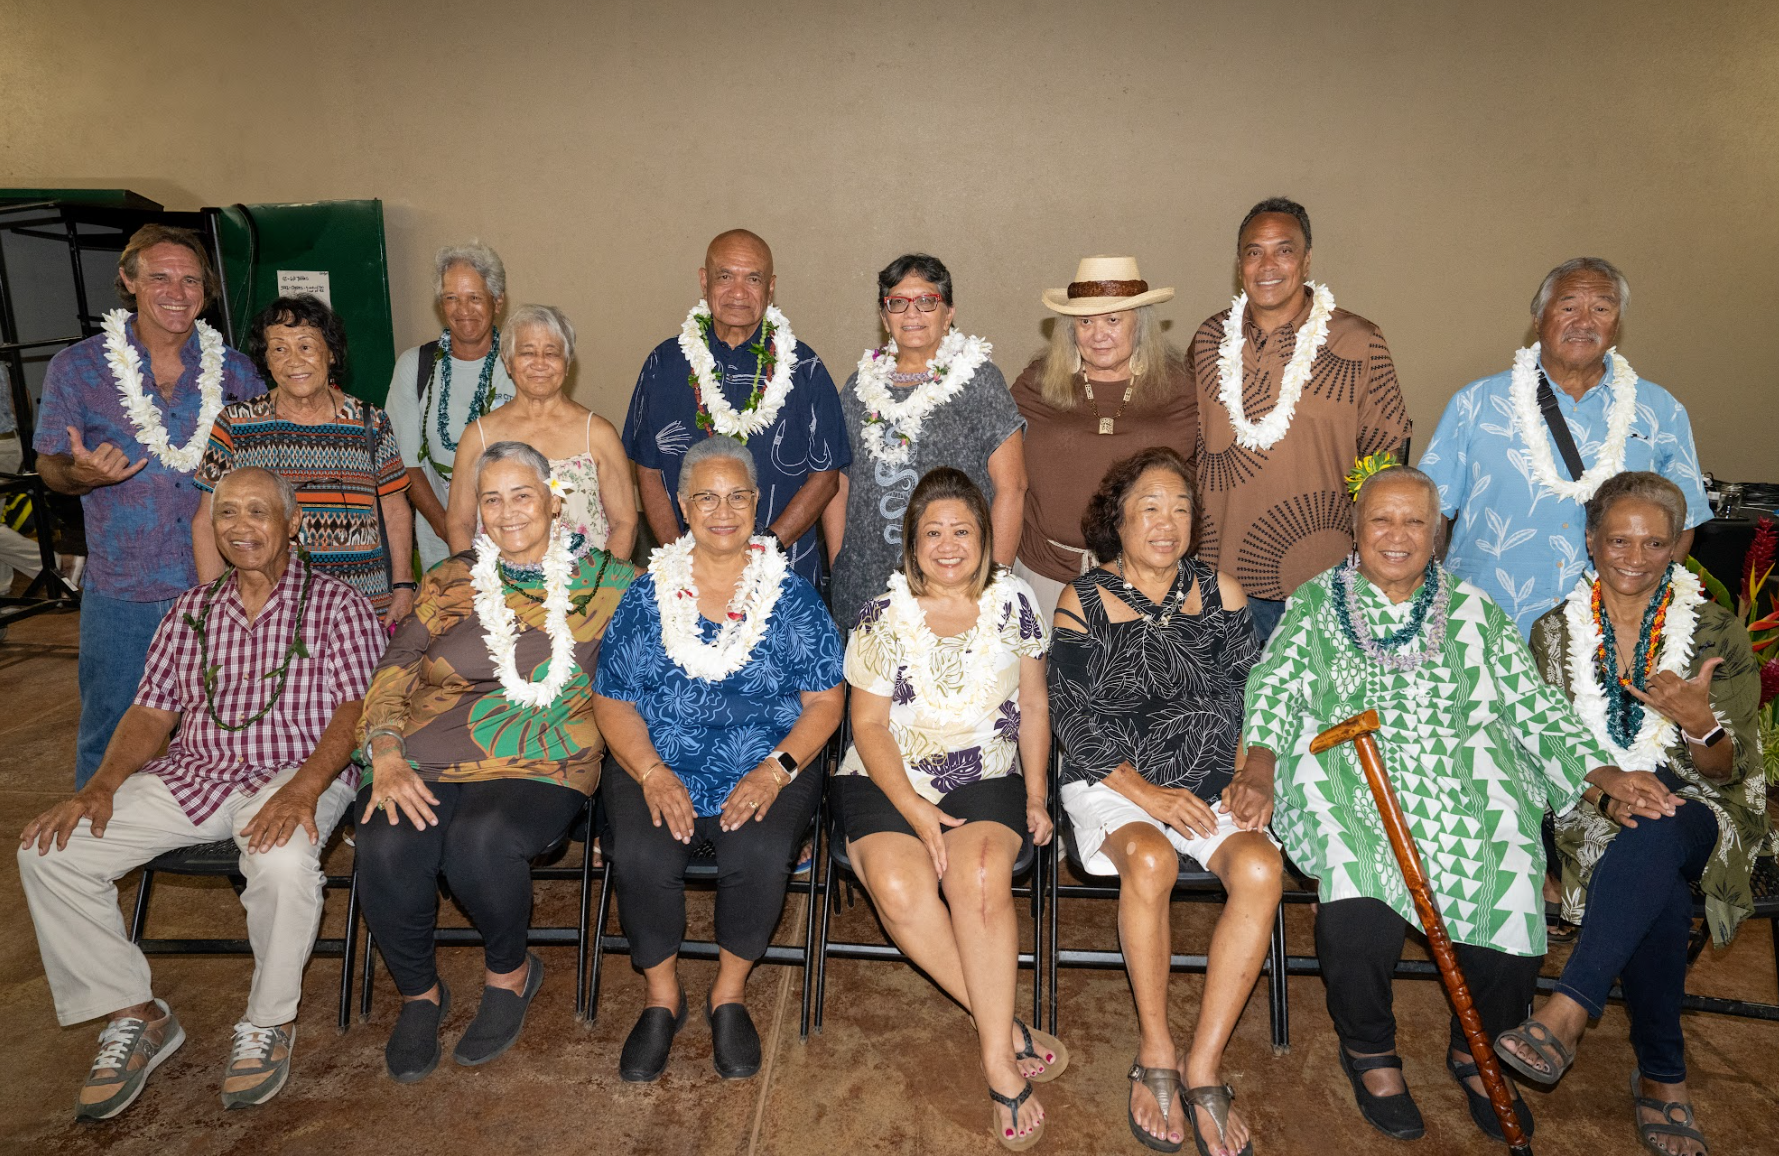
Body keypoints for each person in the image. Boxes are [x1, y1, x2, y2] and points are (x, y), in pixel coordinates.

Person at [1234, 464, 1680, 1143]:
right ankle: (1369, 1048)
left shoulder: (1474, 610)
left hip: (1463, 769)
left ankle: (1476, 1048)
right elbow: (1273, 689)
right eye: (1381, 519)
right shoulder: (1315, 604)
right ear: (1354, 530)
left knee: (1507, 860)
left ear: (1436, 536)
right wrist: (1261, 771)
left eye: (1414, 522)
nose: (1396, 534)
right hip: (1347, 769)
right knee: (1357, 885)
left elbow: (1531, 707)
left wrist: (1601, 773)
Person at [16, 467, 383, 1118]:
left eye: (257, 512)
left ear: (292, 524)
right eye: (227, 514)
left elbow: (354, 711)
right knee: (52, 852)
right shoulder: (190, 611)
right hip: (196, 772)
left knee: (281, 859)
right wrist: (100, 786)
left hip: (294, 772)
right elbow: (152, 713)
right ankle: (136, 1014)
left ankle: (268, 1023)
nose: (241, 527)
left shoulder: (337, 605)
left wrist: (303, 792)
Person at [1492, 472, 1765, 1156]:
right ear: (1590, 541)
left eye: (1652, 542)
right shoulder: (1553, 632)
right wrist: (1605, 790)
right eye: (1618, 538)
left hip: (1705, 805)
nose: (1634, 556)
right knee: (1659, 881)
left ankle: (1566, 1010)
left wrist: (1700, 725)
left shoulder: (1712, 629)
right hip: (1593, 804)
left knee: (1666, 818)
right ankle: (1662, 1078)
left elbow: (1729, 771)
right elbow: (1540, 746)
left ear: (1676, 545)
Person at [354, 441, 634, 1081]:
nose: (507, 513)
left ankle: (509, 975)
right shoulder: (450, 579)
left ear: (553, 503)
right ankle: (420, 996)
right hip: (425, 750)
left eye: (522, 495)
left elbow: (660, 656)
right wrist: (386, 748)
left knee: (482, 841)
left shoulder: (609, 582)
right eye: (491, 499)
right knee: (384, 842)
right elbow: (397, 663)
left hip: (545, 755)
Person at [1048, 447, 1279, 1156]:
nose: (1166, 520)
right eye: (1149, 506)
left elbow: (1258, 702)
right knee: (1148, 859)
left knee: (1261, 871)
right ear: (1116, 520)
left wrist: (1254, 774)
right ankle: (1155, 1050)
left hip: (1208, 782)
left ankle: (1203, 1064)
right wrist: (1149, 796)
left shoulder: (1224, 595)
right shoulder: (1080, 600)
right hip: (1112, 781)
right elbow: (1073, 722)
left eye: (1179, 507)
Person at [592, 436, 843, 1083]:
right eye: (706, 496)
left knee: (755, 854)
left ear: (757, 504)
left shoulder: (792, 597)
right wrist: (649, 770)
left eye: (737, 496)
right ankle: (661, 997)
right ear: (680, 505)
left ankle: (727, 993)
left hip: (768, 758)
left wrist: (772, 770)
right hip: (657, 757)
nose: (722, 510)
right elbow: (612, 700)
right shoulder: (645, 596)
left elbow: (824, 701)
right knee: (642, 853)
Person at [836, 467, 1061, 1151]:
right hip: (885, 772)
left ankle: (995, 1058)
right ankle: (1002, 1025)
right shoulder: (881, 613)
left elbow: (1034, 705)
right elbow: (867, 728)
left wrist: (1034, 793)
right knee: (900, 886)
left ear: (984, 538)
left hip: (983, 769)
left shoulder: (1016, 599)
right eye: (931, 531)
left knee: (983, 874)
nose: (946, 543)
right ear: (910, 544)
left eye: (961, 529)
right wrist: (912, 808)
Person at [33, 224, 264, 786]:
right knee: (111, 732)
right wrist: (79, 473)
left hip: (220, 587)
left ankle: (230, 850)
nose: (177, 292)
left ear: (205, 293)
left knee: (228, 728)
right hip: (122, 592)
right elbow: (49, 469)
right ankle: (91, 855)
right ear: (128, 281)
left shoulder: (235, 372)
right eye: (160, 276)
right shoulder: (78, 368)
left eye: (190, 280)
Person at [1420, 258, 1711, 636]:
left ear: (1617, 324)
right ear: (1539, 318)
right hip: (1481, 623)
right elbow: (1428, 513)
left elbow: (1683, 521)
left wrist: (1644, 606)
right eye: (1569, 306)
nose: (1584, 322)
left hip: (1603, 634)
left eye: (1602, 308)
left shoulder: (1661, 410)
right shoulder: (1475, 403)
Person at [1189, 199, 1410, 642]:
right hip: (1221, 581)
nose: (1267, 264)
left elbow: (1388, 469)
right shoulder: (1208, 339)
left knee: (1333, 712)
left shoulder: (1359, 341)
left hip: (1323, 582)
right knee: (1229, 712)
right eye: (1254, 251)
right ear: (1239, 264)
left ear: (1307, 260)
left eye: (1284, 250)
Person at [621, 228, 850, 586]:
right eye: (725, 277)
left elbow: (826, 476)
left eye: (753, 278)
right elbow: (647, 470)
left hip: (783, 575)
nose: (738, 293)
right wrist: (680, 555)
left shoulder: (805, 369)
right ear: (704, 281)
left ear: (770, 287)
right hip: (686, 579)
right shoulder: (663, 365)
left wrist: (768, 547)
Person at [823, 253, 1027, 628]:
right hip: (867, 589)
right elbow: (838, 482)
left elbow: (1012, 487)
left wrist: (993, 581)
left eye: (927, 301)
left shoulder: (979, 381)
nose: (911, 313)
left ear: (948, 313)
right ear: (885, 318)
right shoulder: (858, 387)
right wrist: (840, 561)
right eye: (897, 303)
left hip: (957, 584)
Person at [193, 295, 415, 623]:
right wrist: (214, 605)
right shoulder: (235, 424)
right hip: (267, 612)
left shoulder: (371, 422)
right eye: (279, 349)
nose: (293, 361)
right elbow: (205, 520)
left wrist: (403, 585)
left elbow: (395, 512)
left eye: (306, 346)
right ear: (266, 359)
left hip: (362, 607)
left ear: (331, 353)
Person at [1012, 255, 1194, 621]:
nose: (1098, 334)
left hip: (1147, 582)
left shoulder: (1179, 386)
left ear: (1138, 324)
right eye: (1085, 321)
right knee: (1042, 679)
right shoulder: (1036, 383)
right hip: (1045, 576)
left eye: (1113, 319)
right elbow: (1002, 475)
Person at [442, 304, 635, 561]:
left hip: (586, 590)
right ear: (508, 362)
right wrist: (473, 584)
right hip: (500, 593)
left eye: (551, 353)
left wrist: (600, 587)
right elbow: (459, 524)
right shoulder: (478, 437)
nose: (540, 363)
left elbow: (625, 523)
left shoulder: (599, 435)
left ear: (567, 364)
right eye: (527, 352)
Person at [384, 242, 517, 572]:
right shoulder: (415, 366)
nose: (463, 309)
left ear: (497, 301)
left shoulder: (520, 363)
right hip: (439, 540)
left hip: (515, 531)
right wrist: (448, 528)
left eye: (474, 297)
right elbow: (405, 463)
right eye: (451, 298)